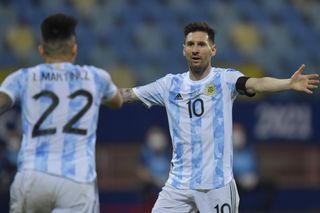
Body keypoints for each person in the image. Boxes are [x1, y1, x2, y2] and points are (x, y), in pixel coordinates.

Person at [120, 22, 319, 213]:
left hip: (217, 186)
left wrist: (288, 84)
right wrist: (100, 93)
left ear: (213, 50)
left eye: (201, 44)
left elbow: (257, 84)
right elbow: (129, 94)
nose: (195, 49)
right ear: (183, 50)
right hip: (178, 185)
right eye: (190, 44)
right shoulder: (169, 85)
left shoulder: (225, 79)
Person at [0, 13, 123, 213]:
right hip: (76, 181)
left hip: (32, 177)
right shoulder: (97, 77)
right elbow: (116, 101)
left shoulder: (22, 77)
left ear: (41, 50)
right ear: (74, 49)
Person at [233, 122, 276, 213]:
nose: (238, 137)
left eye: (240, 133)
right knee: (234, 188)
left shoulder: (250, 151)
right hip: (237, 182)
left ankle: (263, 210)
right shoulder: (229, 153)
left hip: (252, 179)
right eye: (235, 133)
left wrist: (253, 177)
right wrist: (240, 179)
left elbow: (256, 167)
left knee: (271, 183)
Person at [137, 126, 171, 213]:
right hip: (152, 186)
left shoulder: (168, 153)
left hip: (167, 186)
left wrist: (166, 181)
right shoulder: (145, 152)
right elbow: (141, 171)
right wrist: (155, 180)